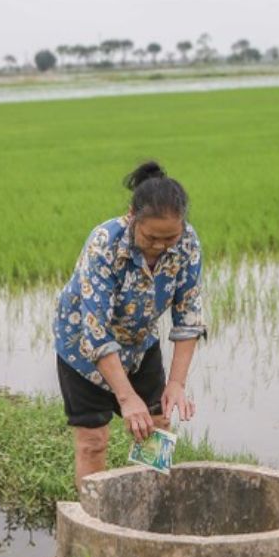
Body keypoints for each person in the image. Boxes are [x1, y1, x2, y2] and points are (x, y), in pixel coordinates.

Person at [53, 160, 207, 489]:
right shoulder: (104, 244)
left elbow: (188, 315)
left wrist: (177, 384)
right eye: (152, 238)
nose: (161, 247)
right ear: (131, 216)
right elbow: (95, 333)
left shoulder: (188, 244)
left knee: (157, 424)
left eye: (170, 238)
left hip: (139, 343)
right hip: (83, 349)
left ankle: (148, 508)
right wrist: (126, 397)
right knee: (93, 441)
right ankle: (92, 524)